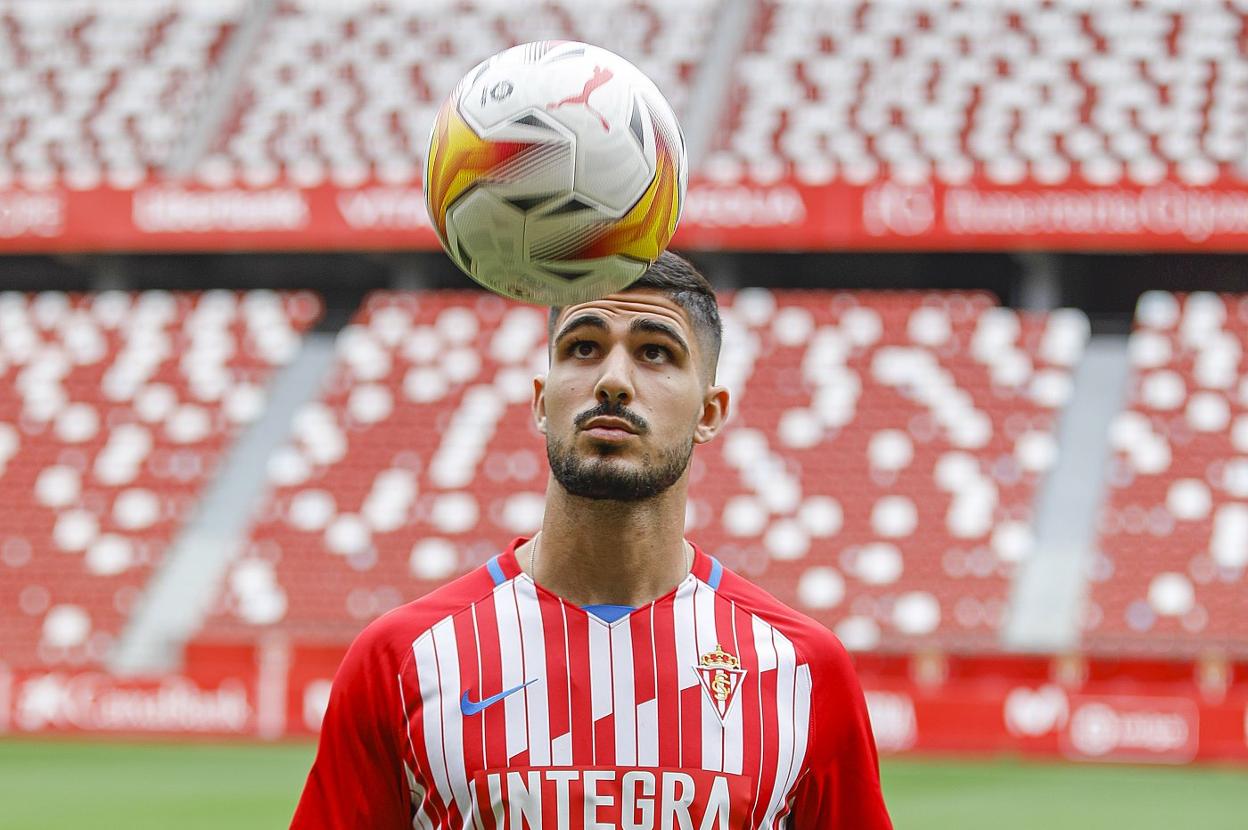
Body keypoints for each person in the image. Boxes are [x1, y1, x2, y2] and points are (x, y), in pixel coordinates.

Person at [291, 251, 893, 829]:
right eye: (583, 347)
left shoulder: (804, 671)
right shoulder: (399, 663)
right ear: (541, 401)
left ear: (710, 412)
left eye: (655, 352)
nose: (613, 381)